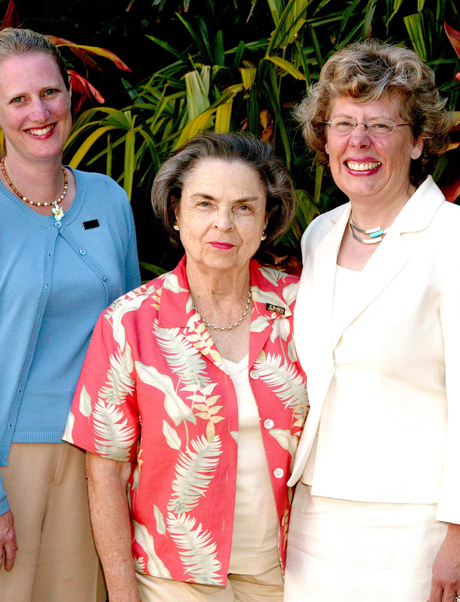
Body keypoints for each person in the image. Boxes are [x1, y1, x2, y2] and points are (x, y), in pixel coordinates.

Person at [284, 40, 460, 602]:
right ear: (324, 138)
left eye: (381, 125)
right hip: (317, 517)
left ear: (418, 142)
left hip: (419, 524)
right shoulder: (320, 235)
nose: (358, 142)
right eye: (343, 123)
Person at [0, 27, 140, 602]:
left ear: (71, 95)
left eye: (50, 93)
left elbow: (133, 340)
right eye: (18, 99)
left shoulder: (110, 200)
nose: (38, 113)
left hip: (91, 462)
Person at [64, 132, 308, 602]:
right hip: (172, 577)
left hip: (291, 572)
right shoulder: (127, 323)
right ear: (175, 213)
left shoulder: (303, 308)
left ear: (266, 221)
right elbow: (105, 475)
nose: (224, 224)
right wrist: (121, 592)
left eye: (243, 207)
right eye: (205, 204)